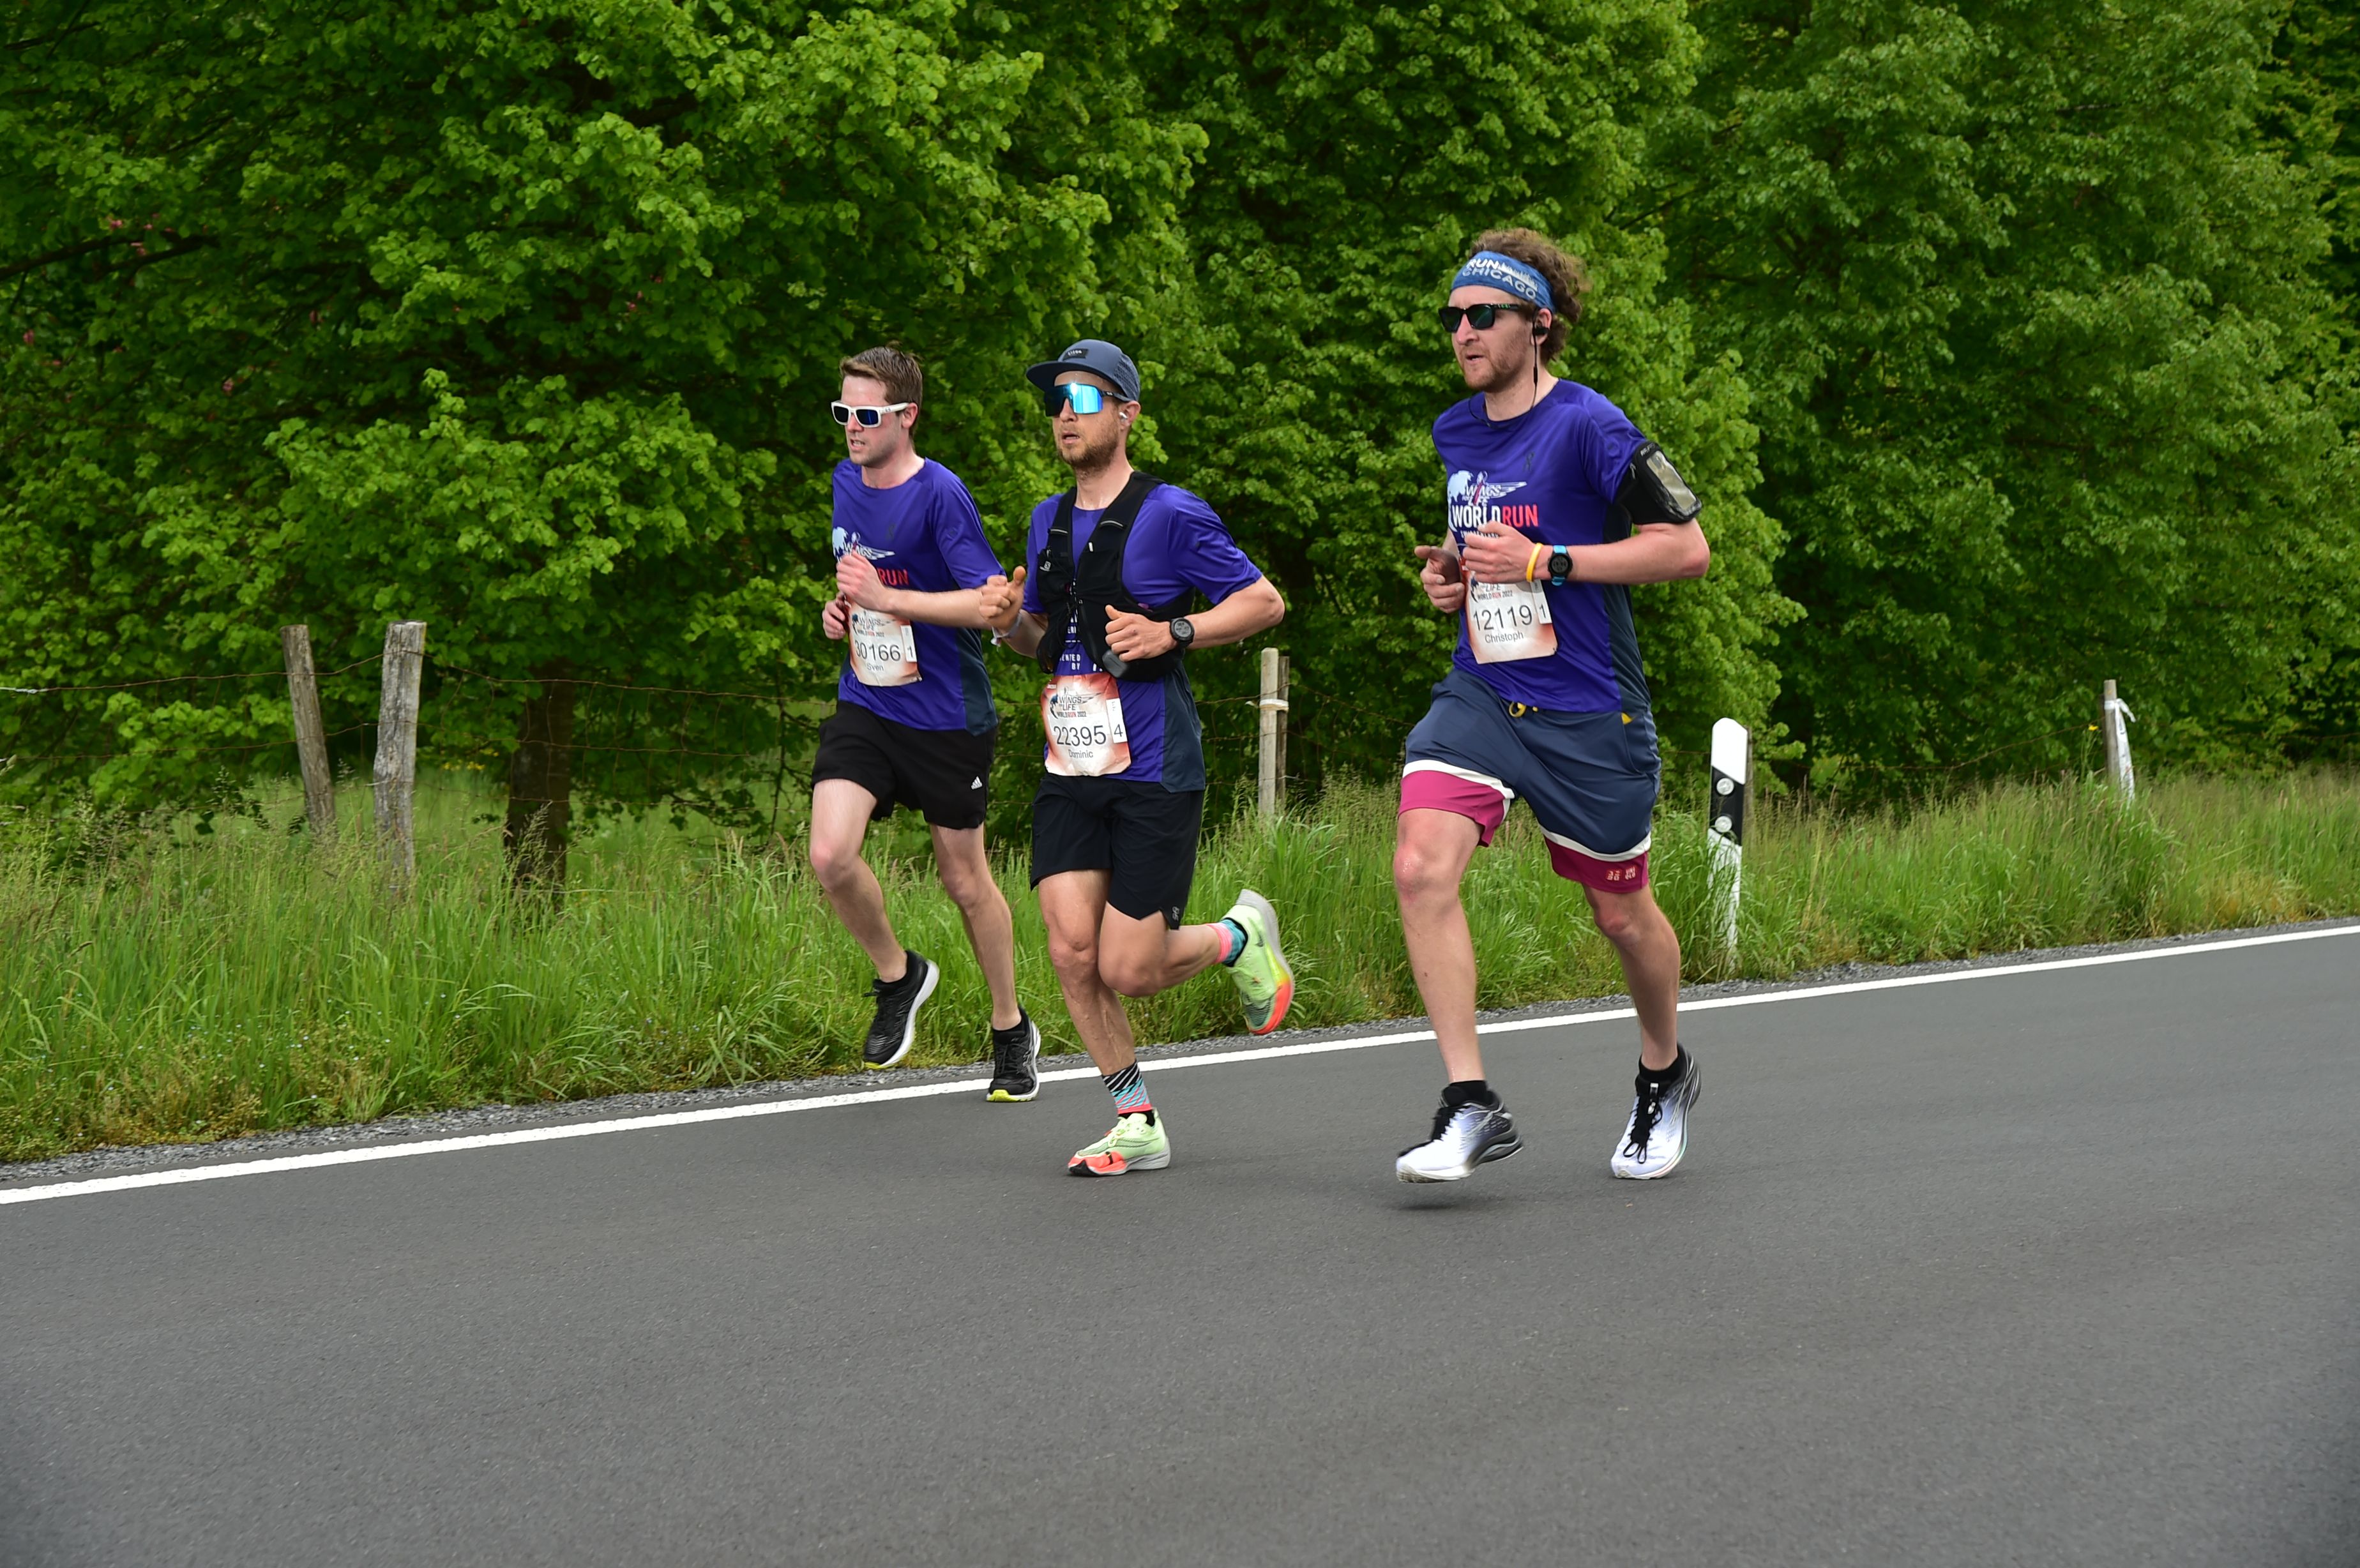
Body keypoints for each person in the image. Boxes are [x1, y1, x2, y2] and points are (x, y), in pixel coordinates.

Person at [1391, 230, 1714, 1184]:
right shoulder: (1456, 432)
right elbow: (1476, 545)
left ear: (1537, 324)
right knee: (1419, 863)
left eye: (1482, 315)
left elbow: (1686, 549)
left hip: (1589, 711)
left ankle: (1664, 1070)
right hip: (1486, 693)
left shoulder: (1590, 425)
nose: (1462, 331)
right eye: (1452, 317)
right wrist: (1453, 579)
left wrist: (1547, 561)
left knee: (1622, 916)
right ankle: (1470, 1104)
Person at [978, 339, 1291, 1177]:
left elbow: (1264, 602)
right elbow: (1044, 643)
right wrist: (1006, 624)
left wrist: (1174, 630)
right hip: (1071, 765)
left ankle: (1236, 937)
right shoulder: (1046, 521)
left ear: (1126, 414)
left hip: (1154, 764)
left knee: (1129, 966)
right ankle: (1136, 1119)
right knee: (1071, 952)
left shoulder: (1172, 513)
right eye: (1056, 402)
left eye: (1083, 400)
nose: (1064, 416)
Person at [812, 345, 1042, 1102]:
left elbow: (986, 605)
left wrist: (886, 599)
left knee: (964, 879)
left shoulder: (941, 494)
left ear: (906, 416)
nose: (852, 426)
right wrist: (841, 610)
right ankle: (898, 974)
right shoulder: (845, 480)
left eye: (866, 413)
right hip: (869, 702)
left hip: (946, 715)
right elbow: (862, 580)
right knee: (830, 854)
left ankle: (1010, 1026)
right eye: (843, 411)